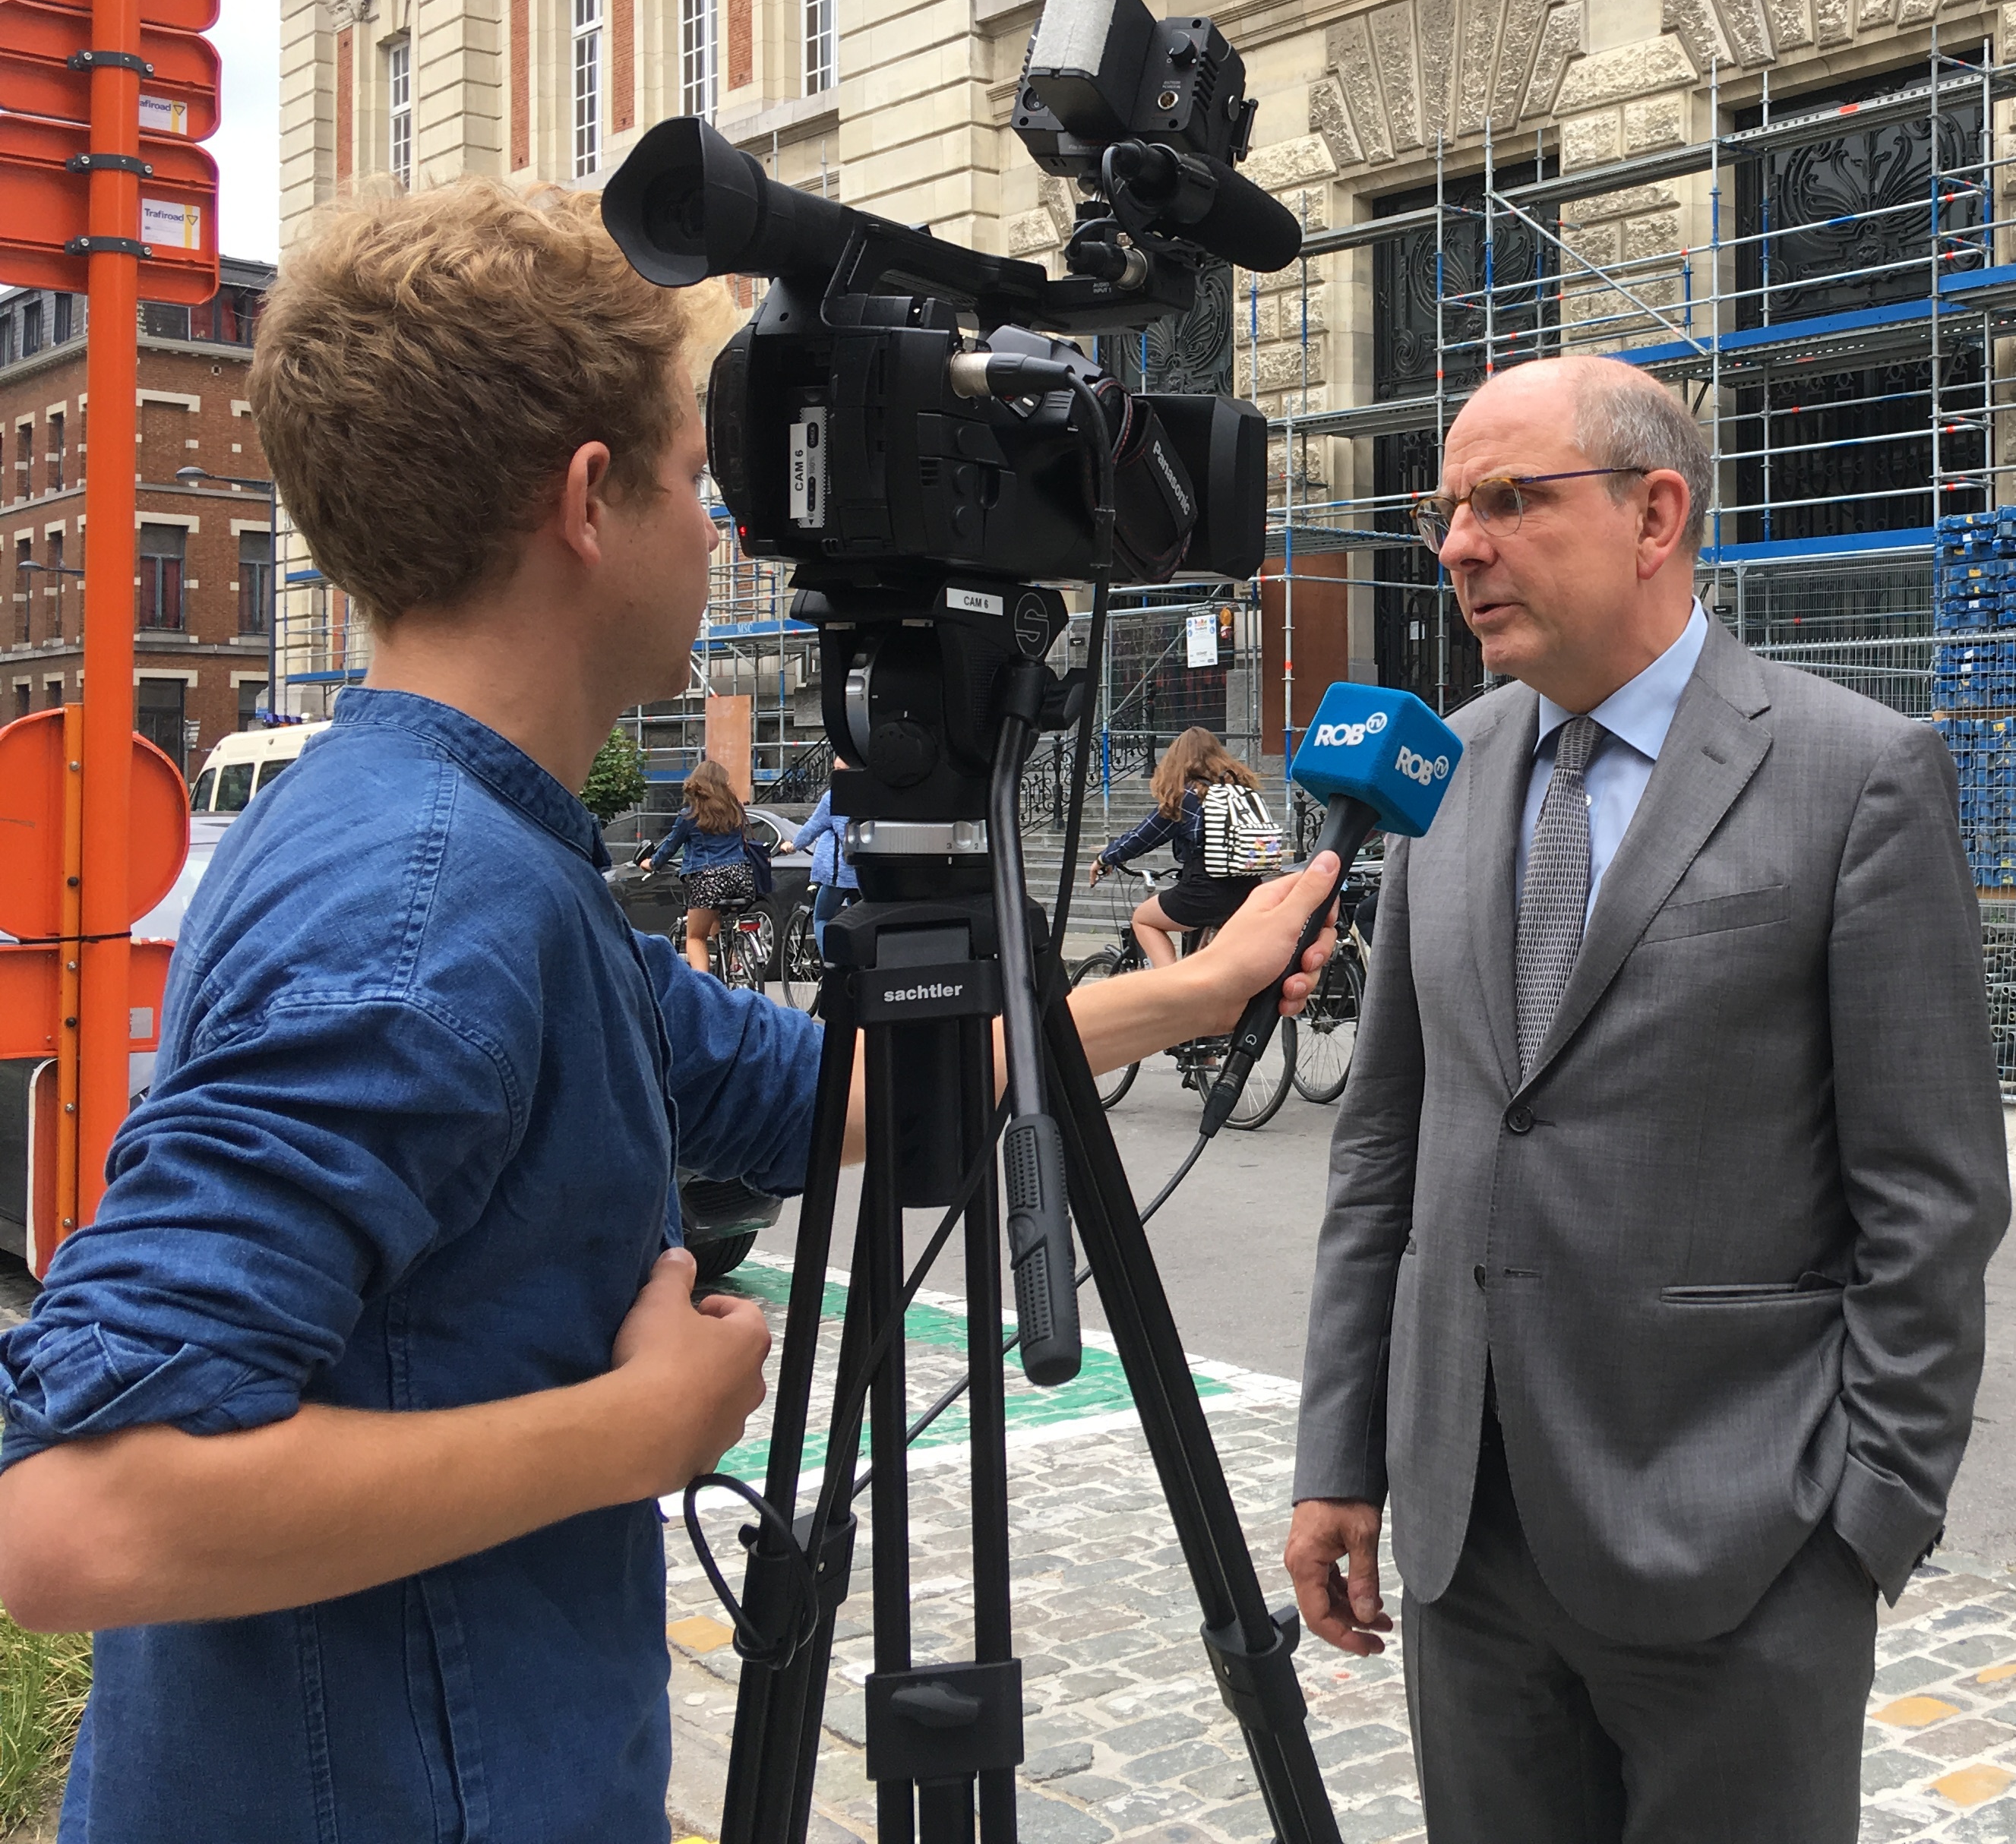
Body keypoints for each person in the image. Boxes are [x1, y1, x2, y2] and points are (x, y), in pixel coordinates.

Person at [0, 178, 1338, 1844]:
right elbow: (78, 1513)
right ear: (586, 501)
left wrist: (1190, 989)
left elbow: (828, 1085)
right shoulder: (427, 907)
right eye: (696, 486)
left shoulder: (468, 853)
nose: (721, 536)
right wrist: (630, 1433)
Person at [1284, 356, 2011, 1844]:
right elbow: (1385, 1155)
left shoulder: (1858, 777)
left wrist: (1860, 1523)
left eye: (1504, 500)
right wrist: (1341, 1459)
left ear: (1654, 513)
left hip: (1742, 1552)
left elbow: (1931, 1197)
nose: (1458, 547)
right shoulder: (1444, 768)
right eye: (1447, 511)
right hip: (1467, 1546)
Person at [1089, 725, 1279, 968]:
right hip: (1249, 890)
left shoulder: (1190, 796)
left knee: (1144, 919)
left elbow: (1142, 836)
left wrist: (1106, 858)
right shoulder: (1240, 792)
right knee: (1205, 962)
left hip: (1204, 893)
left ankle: (1171, 987)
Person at [637, 758, 763, 972]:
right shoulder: (737, 811)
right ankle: (731, 958)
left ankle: (702, 987)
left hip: (708, 880)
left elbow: (669, 847)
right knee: (716, 917)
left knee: (696, 937)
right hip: (742, 877)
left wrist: (651, 863)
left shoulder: (690, 815)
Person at [793, 782, 852, 939]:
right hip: (866, 874)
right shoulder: (872, 793)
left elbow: (812, 827)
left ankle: (829, 961)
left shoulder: (834, 797)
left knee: (821, 917)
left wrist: (793, 845)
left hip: (839, 875)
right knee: (861, 920)